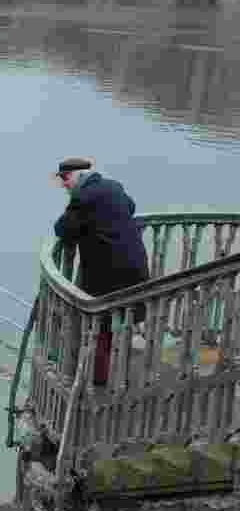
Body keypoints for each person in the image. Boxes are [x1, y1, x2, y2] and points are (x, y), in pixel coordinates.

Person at [52, 157, 150, 385]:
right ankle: (121, 376)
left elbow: (63, 229)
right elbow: (131, 206)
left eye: (65, 178)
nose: (64, 184)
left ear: (78, 176)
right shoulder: (114, 187)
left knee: (99, 329)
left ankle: (99, 385)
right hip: (135, 268)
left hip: (108, 275)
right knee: (123, 323)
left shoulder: (83, 197)